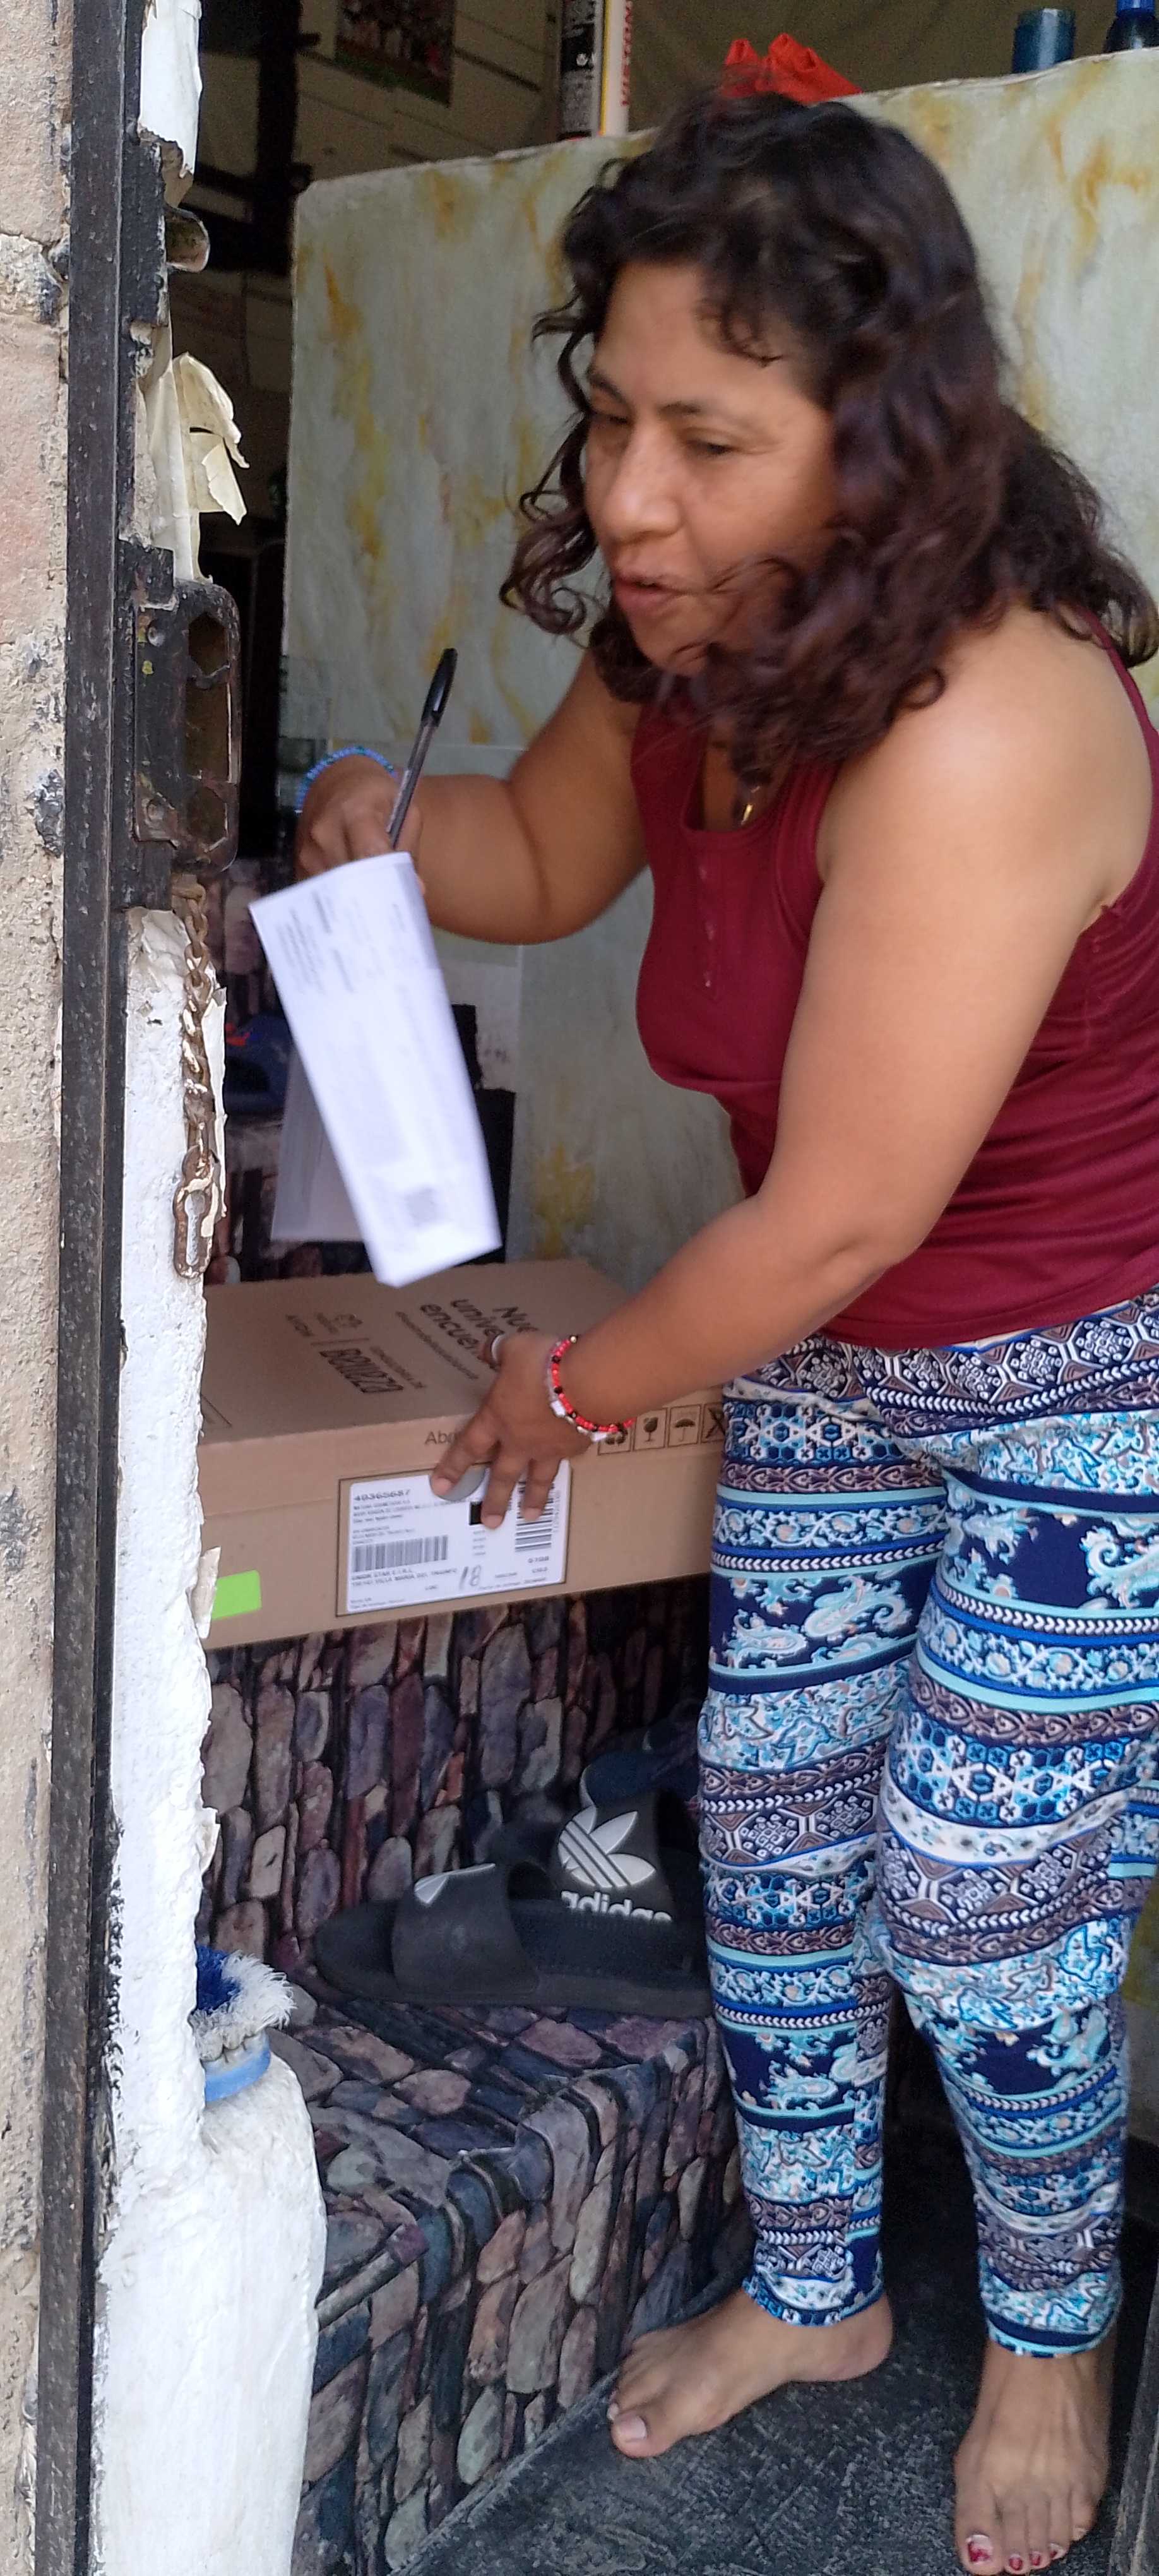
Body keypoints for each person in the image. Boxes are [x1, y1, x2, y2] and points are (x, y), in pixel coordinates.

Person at [295, 86, 1159, 2576]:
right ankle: (817, 2294)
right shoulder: (697, 647)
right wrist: (375, 809)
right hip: (836, 1363)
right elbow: (541, 855)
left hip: (1085, 1374)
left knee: (974, 1893)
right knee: (771, 1842)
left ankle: (1050, 2337)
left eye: (708, 440)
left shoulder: (988, 720)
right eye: (611, 418)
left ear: (884, 450)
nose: (631, 502)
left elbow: (851, 1208)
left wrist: (574, 1389)